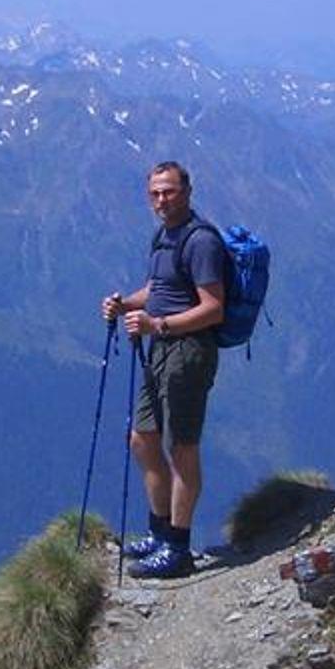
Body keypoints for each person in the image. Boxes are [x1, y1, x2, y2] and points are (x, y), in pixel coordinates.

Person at [101, 160, 225, 579]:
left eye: (169, 191)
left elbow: (213, 308)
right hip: (160, 349)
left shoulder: (200, 241)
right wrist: (125, 305)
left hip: (188, 351)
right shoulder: (165, 235)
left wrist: (158, 325)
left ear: (187, 192)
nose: (161, 200)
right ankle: (159, 532)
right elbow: (159, 288)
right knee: (143, 439)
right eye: (155, 193)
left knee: (181, 447)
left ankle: (178, 546)